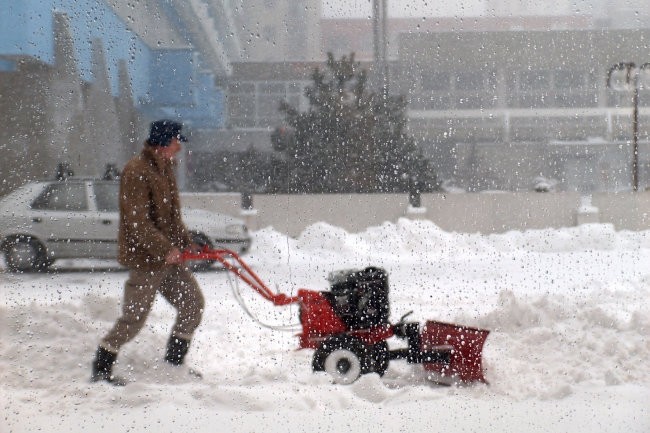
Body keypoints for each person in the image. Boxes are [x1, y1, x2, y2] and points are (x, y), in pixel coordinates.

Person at [91, 119, 205, 386]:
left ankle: (174, 364)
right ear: (164, 142)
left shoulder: (165, 167)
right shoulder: (137, 171)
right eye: (177, 141)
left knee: (192, 305)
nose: (179, 147)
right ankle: (101, 368)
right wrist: (165, 249)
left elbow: (172, 216)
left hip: (169, 259)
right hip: (147, 259)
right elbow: (137, 221)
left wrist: (186, 243)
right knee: (134, 319)